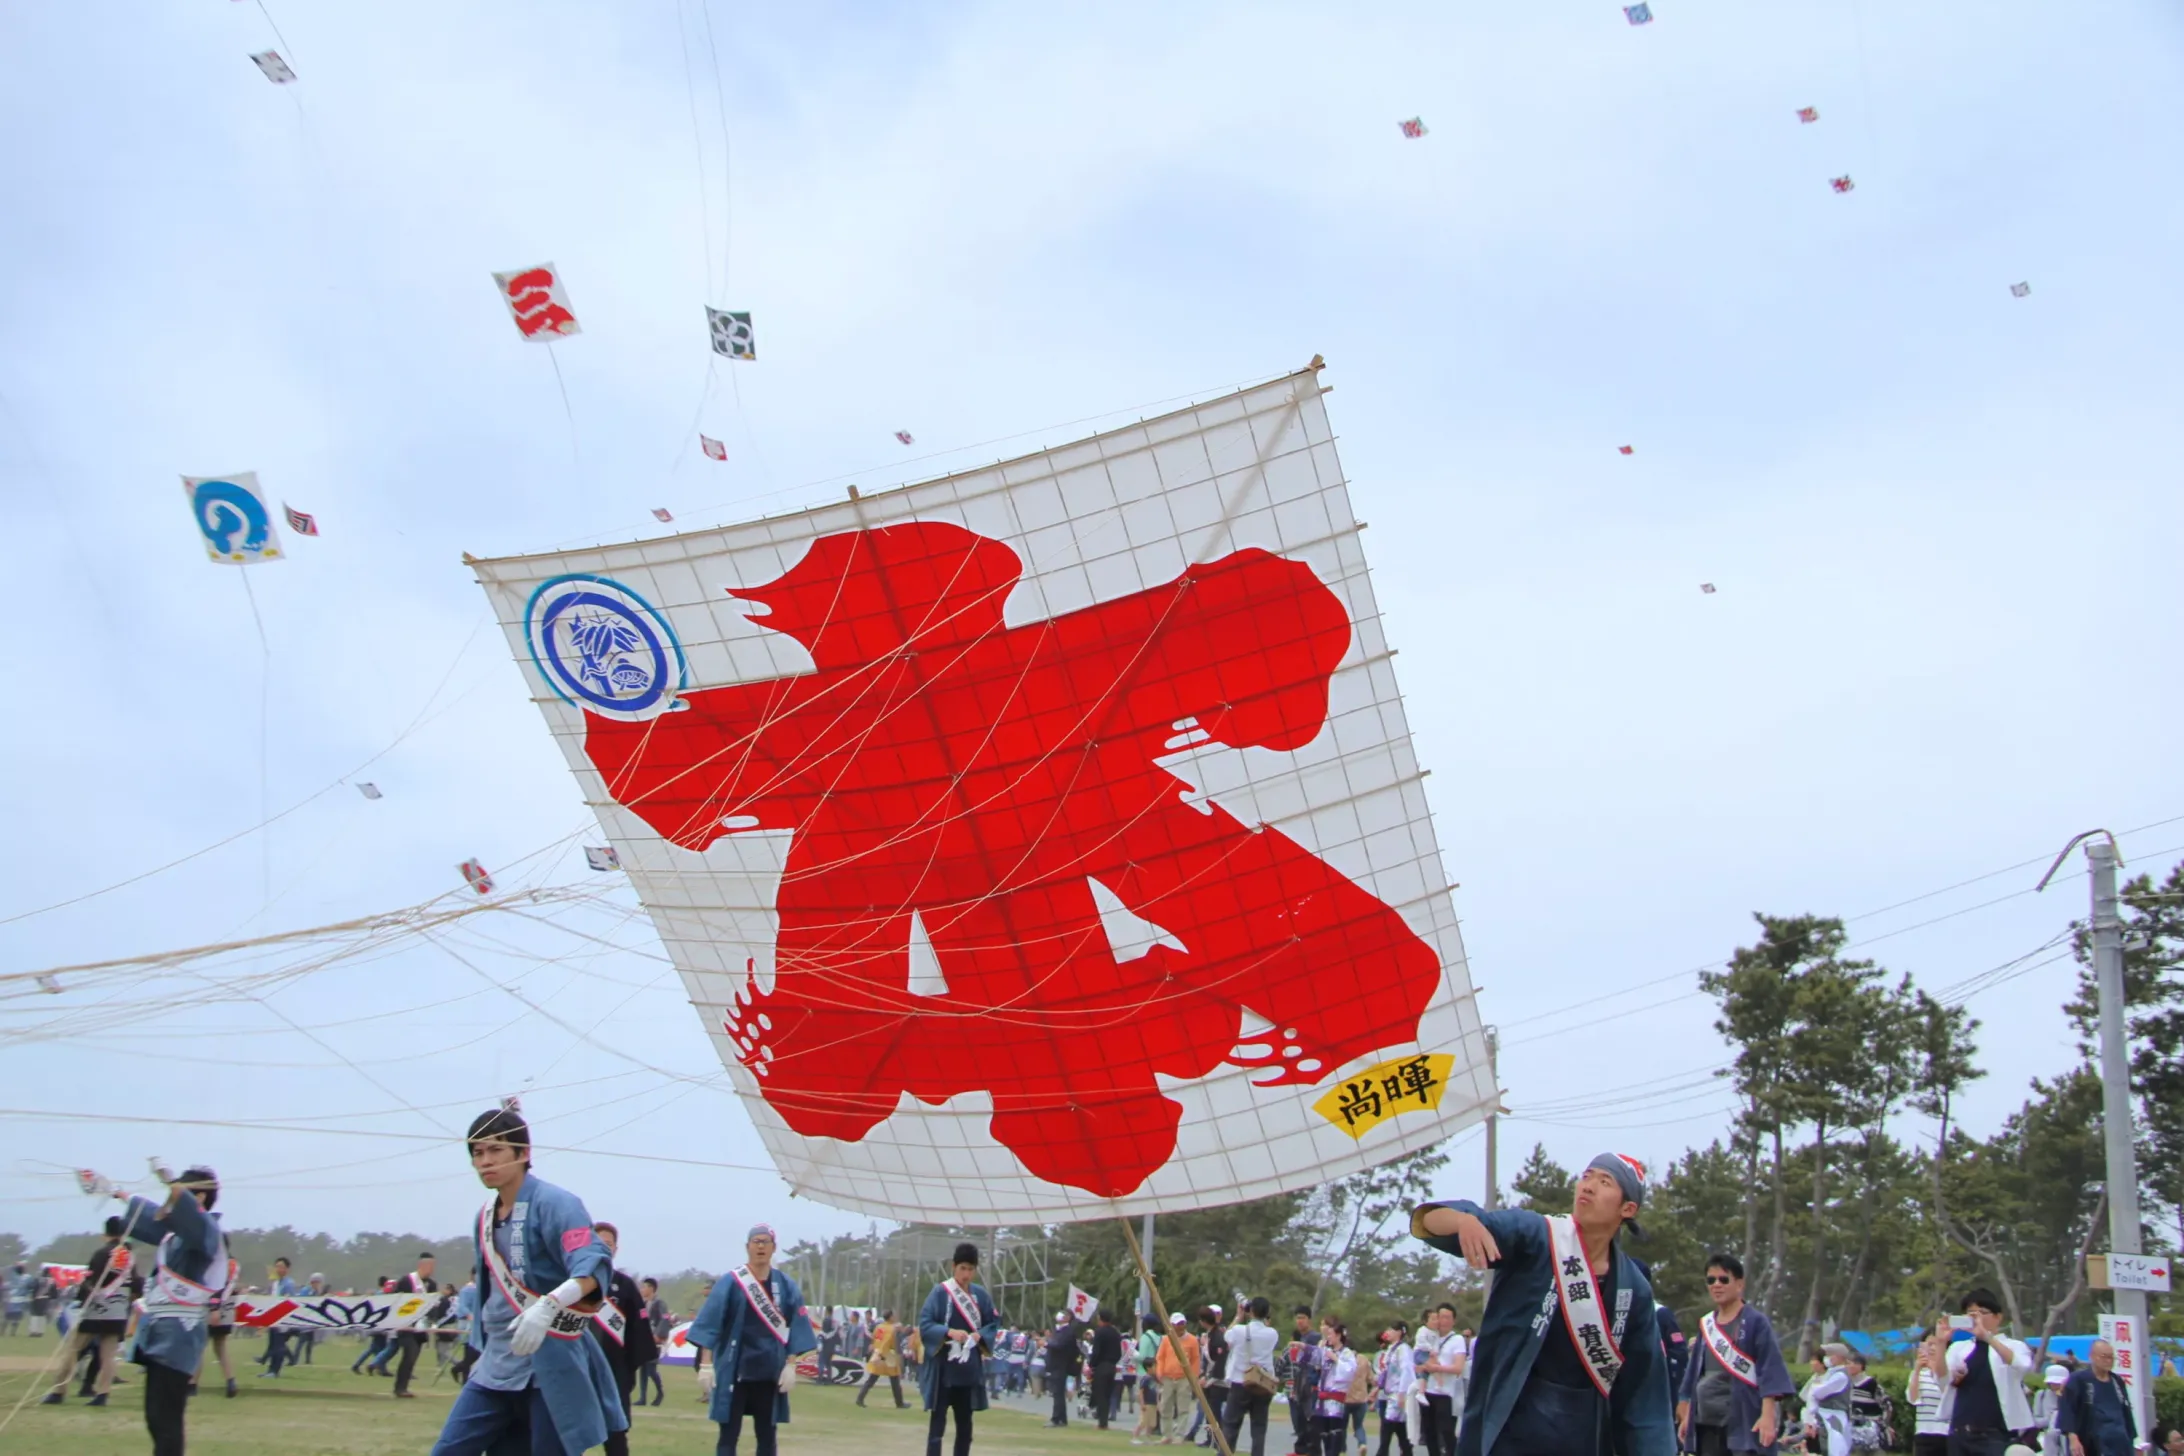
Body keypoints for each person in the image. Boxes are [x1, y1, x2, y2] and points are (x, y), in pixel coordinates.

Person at [1410, 1151, 1677, 1456]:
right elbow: (1430, 1219)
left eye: (1605, 1182)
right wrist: (1464, 1220)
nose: (1587, 1186)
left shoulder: (1632, 1289)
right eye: (1587, 1177)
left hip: (1581, 1438)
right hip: (1508, 1431)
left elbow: (1643, 1396)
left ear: (1627, 1208)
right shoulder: (1538, 1235)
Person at [428, 1105, 629, 1456]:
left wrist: (548, 1306)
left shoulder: (557, 1204)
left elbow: (591, 1264)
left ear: (523, 1153)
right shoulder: (484, 1218)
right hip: (497, 1363)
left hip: (550, 1360)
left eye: (496, 1150)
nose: (485, 1161)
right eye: (478, 1153)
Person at [113, 1163, 230, 1456]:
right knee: (156, 1416)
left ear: (198, 1199)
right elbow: (153, 1219)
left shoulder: (205, 1232)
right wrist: (117, 1193)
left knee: (166, 1419)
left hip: (180, 1334)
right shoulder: (175, 1237)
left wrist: (173, 1184)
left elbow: (188, 1217)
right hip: (161, 1330)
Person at [688, 1224, 817, 1456]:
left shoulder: (785, 1285)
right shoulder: (731, 1282)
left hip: (769, 1372)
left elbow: (795, 1326)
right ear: (747, 1246)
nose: (760, 1246)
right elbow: (710, 1323)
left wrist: (791, 1364)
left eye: (765, 1242)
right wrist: (706, 1364)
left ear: (773, 1248)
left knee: (767, 1437)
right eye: (755, 1241)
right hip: (734, 1369)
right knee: (728, 1436)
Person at [1677, 1252, 1794, 1456]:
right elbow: (1694, 1372)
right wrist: (1686, 1410)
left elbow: (1769, 1369)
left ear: (1739, 1284)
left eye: (1724, 1279)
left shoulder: (1756, 1322)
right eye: (1711, 1280)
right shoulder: (1706, 1325)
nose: (1716, 1285)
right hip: (1706, 1420)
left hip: (1742, 1419)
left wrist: (1768, 1416)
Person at [919, 1242, 1001, 1456]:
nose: (966, 1274)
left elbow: (992, 1324)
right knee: (937, 1425)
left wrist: (979, 1335)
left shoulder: (981, 1296)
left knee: (965, 1425)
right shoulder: (940, 1293)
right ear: (953, 1266)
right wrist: (948, 1332)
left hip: (968, 1371)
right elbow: (926, 1324)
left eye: (971, 1269)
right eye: (962, 1268)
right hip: (944, 1370)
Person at [43, 1215, 135, 1406]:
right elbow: (137, 1285)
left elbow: (90, 1281)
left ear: (106, 1233)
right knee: (108, 1354)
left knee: (74, 1348)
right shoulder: (128, 1256)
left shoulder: (102, 1253)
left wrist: (83, 1300)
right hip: (118, 1310)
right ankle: (103, 1393)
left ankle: (59, 1391)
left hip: (96, 1308)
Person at [1934, 1289, 2033, 1456]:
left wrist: (1987, 1337)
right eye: (1970, 1313)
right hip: (1960, 1430)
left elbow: (2022, 1365)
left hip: (1994, 1431)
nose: (1975, 1318)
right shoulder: (1960, 1348)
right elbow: (1941, 1379)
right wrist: (1941, 1343)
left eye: (1981, 1312)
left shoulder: (2013, 1346)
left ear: (1998, 1317)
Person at [589, 1225, 654, 1456]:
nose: (603, 1249)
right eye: (598, 1243)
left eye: (608, 1244)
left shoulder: (625, 1286)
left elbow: (639, 1331)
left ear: (616, 1249)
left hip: (615, 1372)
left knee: (615, 1434)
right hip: (579, 1370)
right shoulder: (573, 1281)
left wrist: (628, 1373)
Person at [2056, 1339, 2139, 1456]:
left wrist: (2132, 1441)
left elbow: (2126, 1413)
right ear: (2092, 1356)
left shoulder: (2117, 1381)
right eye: (2104, 1356)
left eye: (2111, 1357)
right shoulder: (2078, 1380)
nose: (2109, 1361)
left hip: (2119, 1443)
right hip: (2091, 1443)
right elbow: (2068, 1410)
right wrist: (2073, 1439)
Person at [1223, 1295, 1282, 1456]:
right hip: (1262, 1383)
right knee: (1258, 1428)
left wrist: (1238, 1317)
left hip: (1240, 1381)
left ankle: (1225, 1453)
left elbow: (1226, 1337)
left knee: (1230, 1425)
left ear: (1251, 1311)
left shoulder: (1239, 1330)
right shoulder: (1272, 1334)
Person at [1413, 1303, 1468, 1456]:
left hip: (1445, 1392)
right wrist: (1422, 1366)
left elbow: (1458, 1368)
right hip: (1428, 1390)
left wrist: (1437, 1368)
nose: (1443, 1320)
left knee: (1446, 1431)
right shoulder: (1429, 1336)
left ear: (1453, 1321)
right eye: (1440, 1317)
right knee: (1429, 1432)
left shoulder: (1457, 1339)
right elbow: (1418, 1359)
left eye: (1447, 1317)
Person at [391, 1251, 441, 1399]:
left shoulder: (431, 1284)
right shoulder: (407, 1281)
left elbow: (433, 1305)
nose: (432, 1269)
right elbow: (395, 1300)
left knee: (413, 1357)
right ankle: (400, 1388)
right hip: (406, 1324)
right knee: (409, 1353)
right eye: (430, 1265)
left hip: (421, 1326)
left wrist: (433, 1320)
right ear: (421, 1265)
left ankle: (403, 1386)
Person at [1309, 1320, 1357, 1456]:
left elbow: (1349, 1372)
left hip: (1335, 1397)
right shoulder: (1326, 1350)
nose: (1328, 1337)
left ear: (1339, 1336)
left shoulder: (1346, 1353)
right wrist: (1320, 1350)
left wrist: (1336, 1359)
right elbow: (1316, 1365)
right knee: (1322, 1432)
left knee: (1335, 1432)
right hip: (1323, 1397)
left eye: (1330, 1334)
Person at [1155, 1310, 1202, 1446]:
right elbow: (1160, 1357)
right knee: (1165, 1407)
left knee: (1183, 1408)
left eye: (1181, 1324)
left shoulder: (1192, 1340)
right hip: (1168, 1377)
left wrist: (1193, 1377)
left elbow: (1195, 1360)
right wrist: (1160, 1373)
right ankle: (1166, 1434)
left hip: (1184, 1378)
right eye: (1177, 1324)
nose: (1179, 1327)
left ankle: (1179, 1435)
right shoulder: (1166, 1339)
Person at [1905, 1325, 1951, 1456]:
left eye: (1935, 1344)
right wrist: (1917, 1369)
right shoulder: (1918, 1373)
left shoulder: (1949, 1372)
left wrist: (1934, 1370)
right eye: (1928, 1344)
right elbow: (1913, 1399)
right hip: (1924, 1433)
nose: (1931, 1348)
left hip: (1946, 1433)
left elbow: (1948, 1396)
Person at [1800, 1344, 1853, 1456]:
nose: (1827, 1358)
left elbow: (1818, 1392)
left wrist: (1815, 1388)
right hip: (1826, 1415)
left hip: (1834, 1415)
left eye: (1829, 1355)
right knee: (1829, 1446)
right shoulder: (1832, 1373)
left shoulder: (1840, 1376)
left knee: (1836, 1446)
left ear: (1838, 1356)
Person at [1288, 1305, 1325, 1456]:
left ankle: (1312, 1451)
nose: (1300, 1321)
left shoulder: (1315, 1338)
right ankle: (1300, 1449)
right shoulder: (1298, 1337)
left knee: (1310, 1421)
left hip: (1310, 1383)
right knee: (1298, 1420)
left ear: (1309, 1319)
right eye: (1297, 1318)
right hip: (1297, 1382)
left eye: (1302, 1318)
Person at [1375, 1322, 1417, 1456]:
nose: (1388, 1332)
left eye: (1391, 1329)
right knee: (1401, 1432)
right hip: (1390, 1394)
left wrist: (1402, 1392)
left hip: (1397, 1395)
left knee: (1386, 1431)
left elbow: (1407, 1371)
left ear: (1399, 1332)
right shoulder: (1391, 1349)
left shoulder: (1403, 1349)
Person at [860, 1307, 909, 1408]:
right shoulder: (892, 1329)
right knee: (895, 1379)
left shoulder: (879, 1327)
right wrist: (898, 1355)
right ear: (890, 1317)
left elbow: (874, 1339)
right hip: (888, 1354)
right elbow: (895, 1343)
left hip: (878, 1353)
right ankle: (899, 1403)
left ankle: (860, 1398)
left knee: (872, 1379)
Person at [1842, 1354, 1890, 1452]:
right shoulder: (1845, 1383)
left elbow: (1887, 1406)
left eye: (1850, 1363)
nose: (1847, 1367)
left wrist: (1883, 1425)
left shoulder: (1871, 1384)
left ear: (1860, 1365)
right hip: (1851, 1429)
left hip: (1871, 1430)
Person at [1091, 1307, 1126, 1431]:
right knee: (1107, 1394)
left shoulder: (1100, 1332)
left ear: (1100, 1318)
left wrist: (1092, 1365)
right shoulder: (1115, 1333)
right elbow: (1119, 1352)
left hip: (1101, 1365)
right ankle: (1103, 1420)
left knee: (1100, 1394)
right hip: (1112, 1366)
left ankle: (1102, 1422)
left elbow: (1096, 1351)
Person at [635, 1278, 668, 1406]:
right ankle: (642, 1397)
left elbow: (665, 1318)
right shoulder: (644, 1304)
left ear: (651, 1288)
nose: (642, 1290)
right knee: (643, 1368)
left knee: (650, 1368)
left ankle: (660, 1392)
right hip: (644, 1339)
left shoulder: (659, 1303)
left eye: (644, 1287)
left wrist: (659, 1335)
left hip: (654, 1339)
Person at [1045, 1313, 1082, 1427]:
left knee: (1058, 1393)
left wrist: (1047, 1343)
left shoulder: (1068, 1332)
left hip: (1061, 1365)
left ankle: (1056, 1418)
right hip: (1057, 1365)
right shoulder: (1060, 1331)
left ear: (1068, 1318)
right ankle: (1062, 1418)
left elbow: (1059, 1345)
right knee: (1058, 1393)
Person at [2031, 1365, 2069, 1456]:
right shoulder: (2041, 1395)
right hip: (2046, 1436)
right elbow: (2036, 1420)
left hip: (2065, 1436)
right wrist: (2051, 1418)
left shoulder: (2071, 1396)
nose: (2056, 1385)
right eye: (2053, 1382)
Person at [3, 1263, 28, 1337]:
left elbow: (10, 1269)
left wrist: (16, 1265)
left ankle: (2, 1331)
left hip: (11, 1300)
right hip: (20, 1300)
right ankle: (13, 1332)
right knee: (17, 1317)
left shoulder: (14, 1277)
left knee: (7, 1316)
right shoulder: (24, 1279)